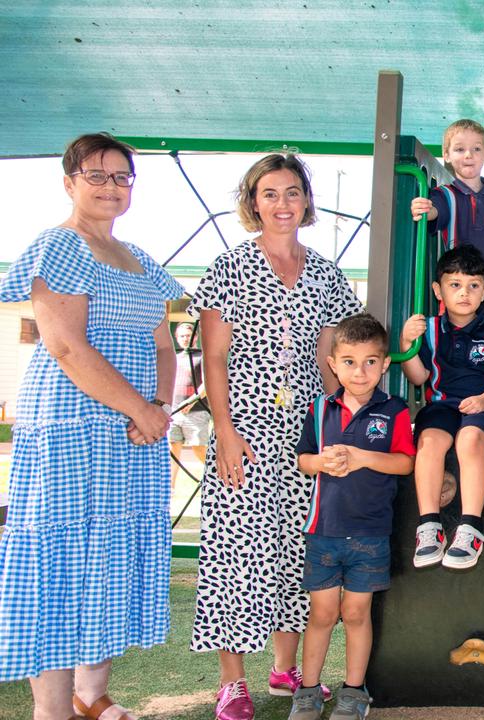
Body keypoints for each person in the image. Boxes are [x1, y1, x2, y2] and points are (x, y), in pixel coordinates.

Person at [0, 132, 183, 720]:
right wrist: (142, 410)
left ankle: (91, 693)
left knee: (111, 557)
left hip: (136, 432)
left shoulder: (143, 259)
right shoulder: (58, 246)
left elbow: (165, 344)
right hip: (73, 429)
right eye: (96, 175)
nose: (111, 187)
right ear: (69, 182)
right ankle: (51, 711)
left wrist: (155, 405)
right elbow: (66, 347)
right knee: (58, 565)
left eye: (122, 177)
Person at [189, 153, 363, 720]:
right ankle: (232, 683)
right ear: (253, 201)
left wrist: (336, 424)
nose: (282, 203)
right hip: (245, 426)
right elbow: (212, 357)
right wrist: (224, 428)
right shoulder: (229, 266)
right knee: (237, 550)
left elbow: (332, 356)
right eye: (270, 193)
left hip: (306, 431)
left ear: (306, 201)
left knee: (298, 549)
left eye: (292, 192)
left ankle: (286, 671)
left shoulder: (328, 273)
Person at [290, 314, 415, 720]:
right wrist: (321, 462)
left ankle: (354, 691)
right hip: (323, 532)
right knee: (322, 614)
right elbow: (303, 459)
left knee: (356, 613)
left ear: (384, 364)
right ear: (332, 363)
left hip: (370, 535)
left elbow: (404, 464)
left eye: (369, 362)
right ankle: (307, 692)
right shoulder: (320, 408)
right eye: (348, 361)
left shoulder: (394, 410)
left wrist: (361, 457)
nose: (359, 372)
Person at [399, 246, 484, 570]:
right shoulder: (430, 330)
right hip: (442, 404)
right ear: (438, 290)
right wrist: (407, 345)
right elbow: (418, 375)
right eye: (455, 285)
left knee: (468, 440)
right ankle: (429, 525)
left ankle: (470, 526)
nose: (464, 293)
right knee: (430, 442)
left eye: (473, 286)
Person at [409, 118, 484, 321]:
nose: (469, 155)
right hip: (459, 293)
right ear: (447, 155)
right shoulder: (445, 195)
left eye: (477, 149)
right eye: (460, 149)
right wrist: (425, 208)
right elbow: (436, 211)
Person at [170, 321, 212, 487]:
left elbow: (207, 383)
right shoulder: (174, 356)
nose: (185, 339)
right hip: (174, 411)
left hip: (196, 410)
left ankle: (213, 477)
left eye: (188, 335)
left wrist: (193, 399)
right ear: (176, 337)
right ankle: (170, 488)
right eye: (182, 336)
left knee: (198, 447)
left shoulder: (201, 356)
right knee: (173, 449)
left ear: (195, 337)